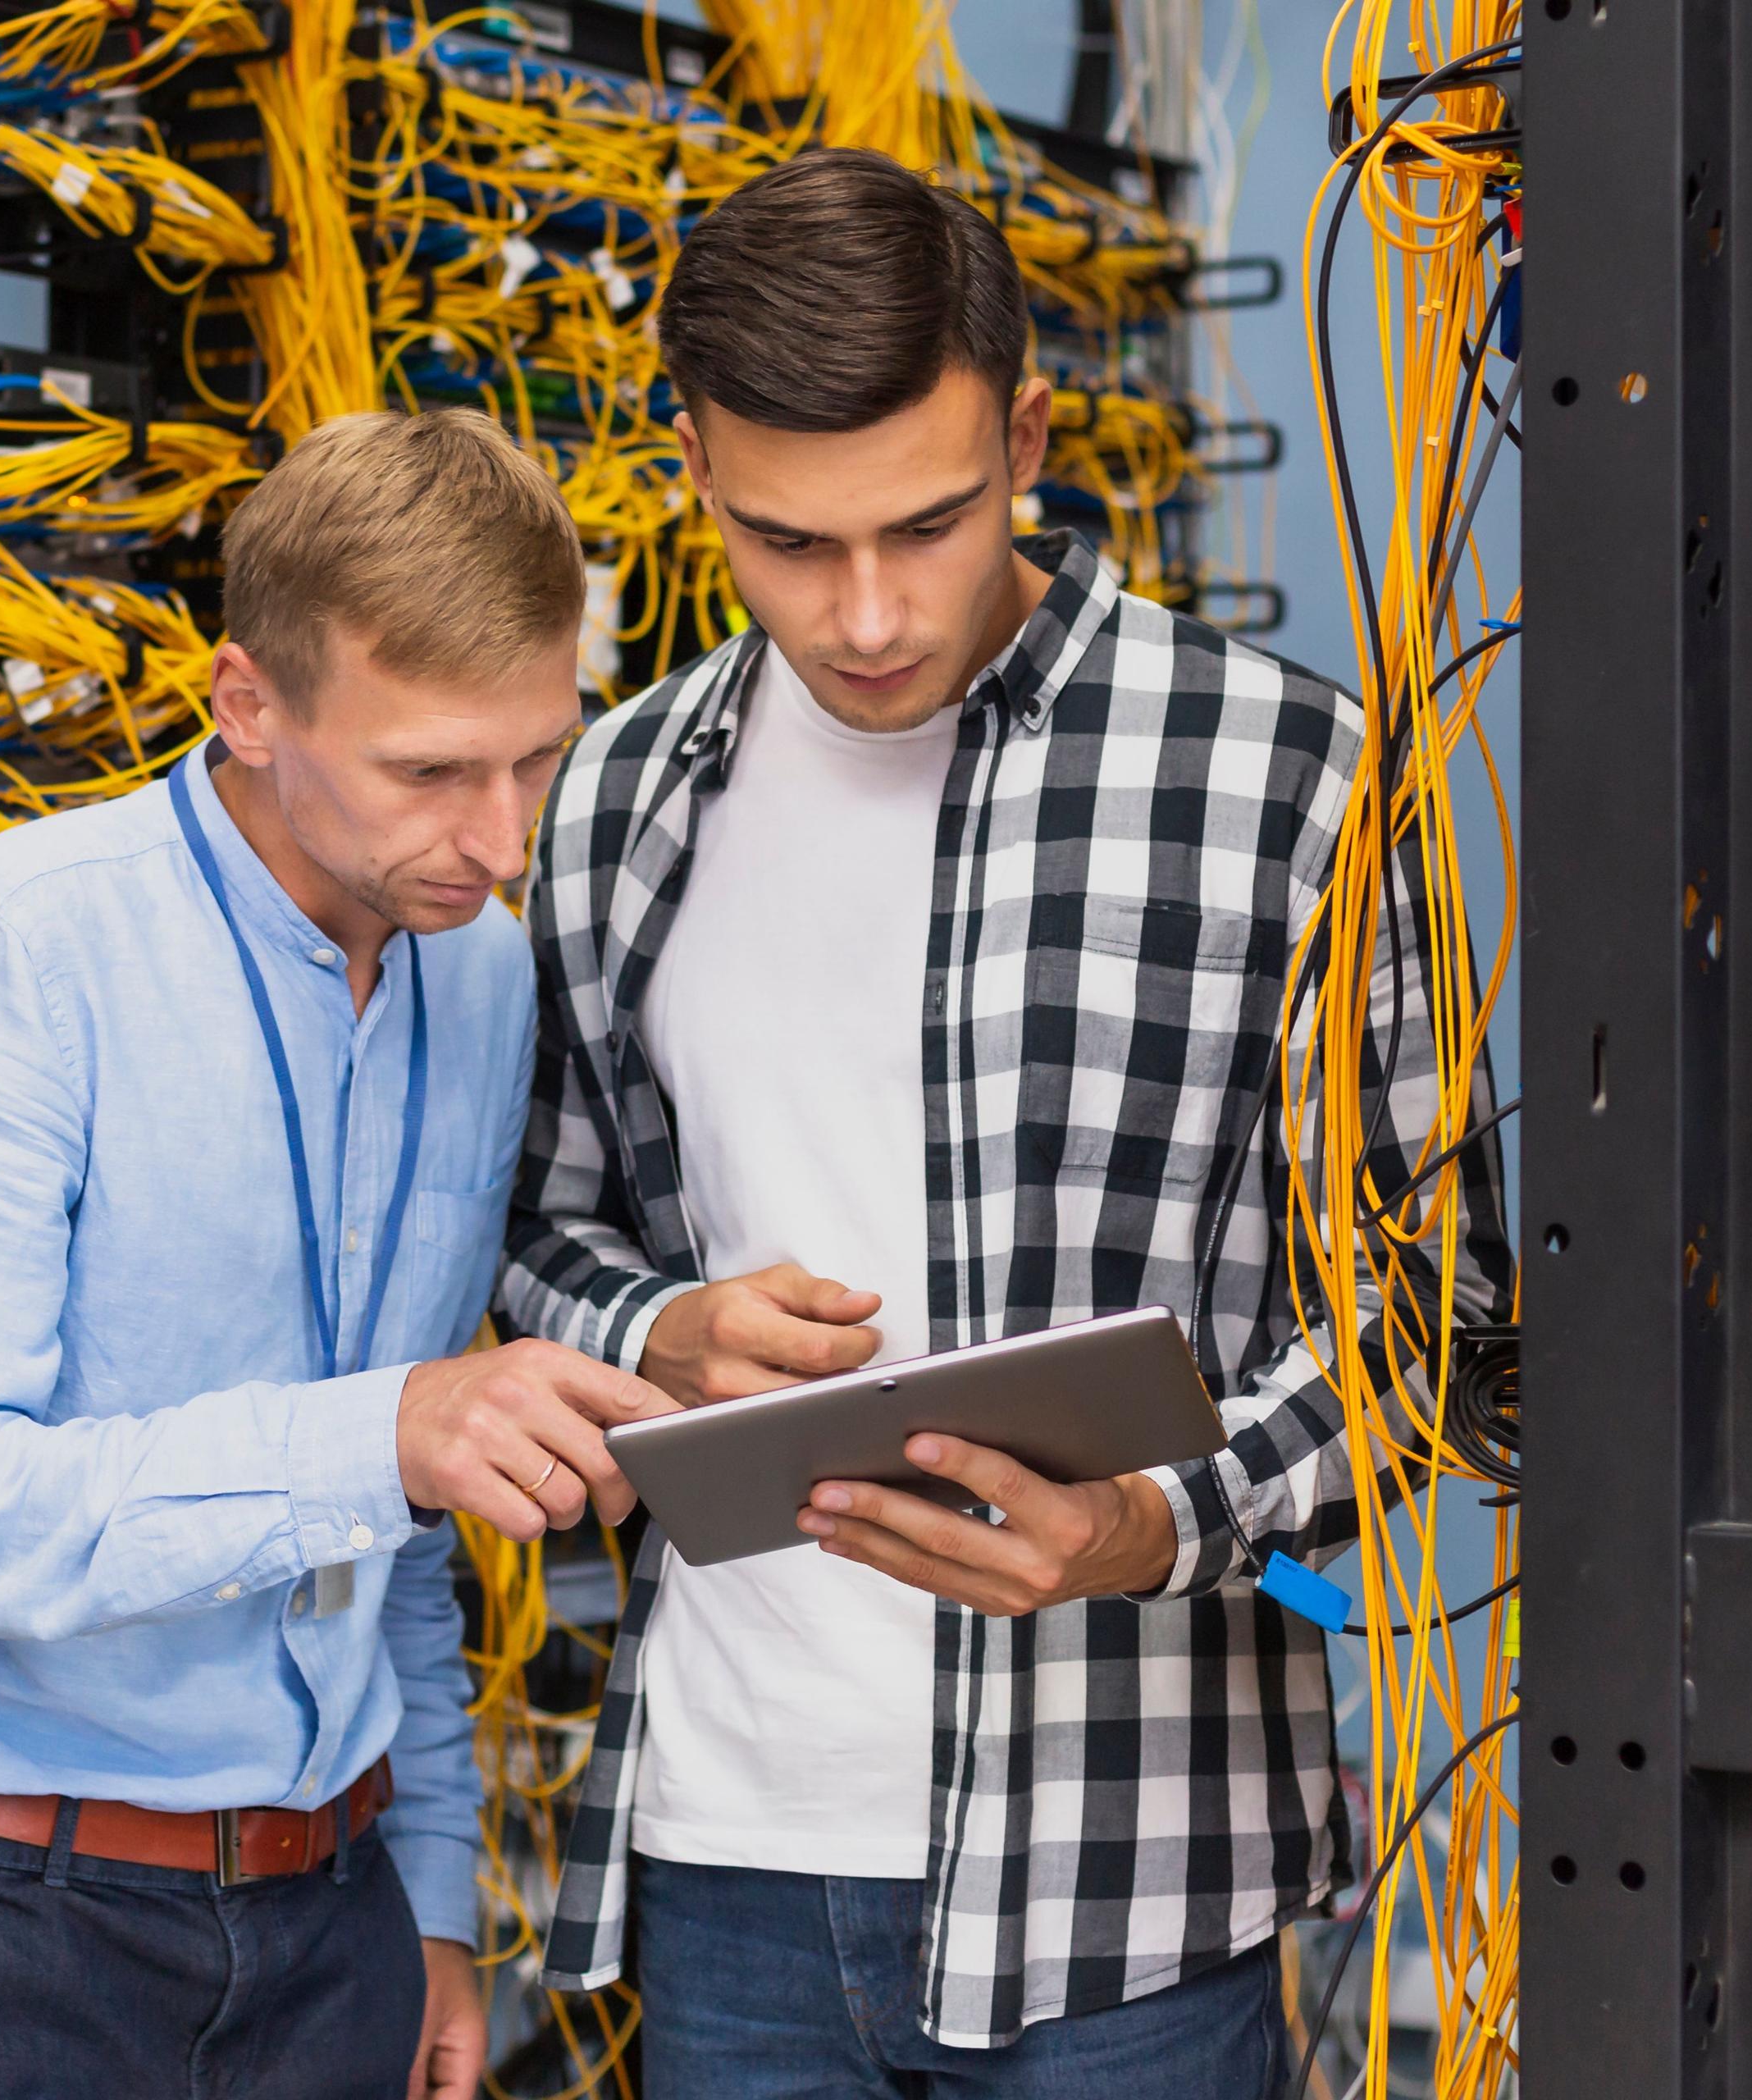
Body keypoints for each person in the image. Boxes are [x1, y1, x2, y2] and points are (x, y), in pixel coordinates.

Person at [504, 150, 1511, 2095]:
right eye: (789, 543)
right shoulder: (618, 792)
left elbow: (1435, 1324)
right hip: (731, 1853)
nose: (868, 614)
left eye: (931, 524)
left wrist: (1149, 1524)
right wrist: (661, 1334)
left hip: (1131, 1880)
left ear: (1031, 432)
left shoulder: (1288, 772)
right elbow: (540, 1237)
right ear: (693, 457)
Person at [0, 408, 673, 2100]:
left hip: (333, 1923)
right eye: (431, 772)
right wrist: (378, 1431)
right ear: (249, 704)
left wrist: (437, 1894)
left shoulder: (476, 976)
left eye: (538, 758)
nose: (504, 838)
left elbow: (392, 1536)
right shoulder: (22, 954)